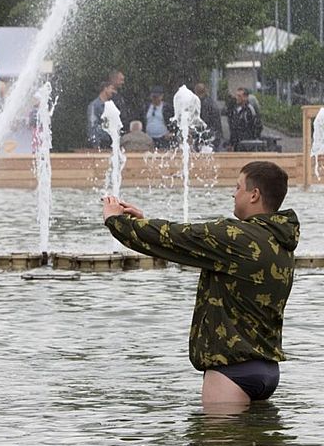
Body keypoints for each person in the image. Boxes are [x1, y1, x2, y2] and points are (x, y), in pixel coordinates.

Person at [102, 161, 297, 407]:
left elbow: (177, 237)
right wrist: (143, 222)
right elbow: (183, 242)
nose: (233, 193)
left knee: (217, 445)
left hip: (231, 371)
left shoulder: (236, 236)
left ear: (254, 195)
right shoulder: (279, 241)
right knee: (258, 445)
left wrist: (116, 221)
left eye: (238, 187)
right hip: (267, 368)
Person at [85, 81, 117, 149]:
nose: (114, 91)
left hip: (109, 143)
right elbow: (92, 126)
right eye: (112, 88)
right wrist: (96, 144)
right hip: (100, 143)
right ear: (105, 88)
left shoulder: (110, 105)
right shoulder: (94, 106)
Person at [194, 82, 223, 151]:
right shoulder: (210, 103)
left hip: (208, 136)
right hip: (213, 134)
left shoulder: (203, 104)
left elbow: (203, 122)